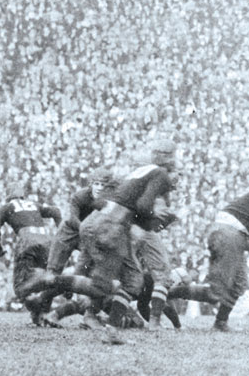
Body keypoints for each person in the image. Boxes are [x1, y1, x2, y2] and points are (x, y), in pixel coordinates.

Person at [23, 139, 179, 344]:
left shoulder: (142, 171)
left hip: (99, 221)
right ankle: (47, 280)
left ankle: (109, 330)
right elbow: (142, 205)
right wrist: (151, 219)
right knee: (107, 285)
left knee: (130, 280)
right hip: (113, 225)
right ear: (169, 158)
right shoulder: (159, 174)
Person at [167, 167, 249, 332]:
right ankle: (169, 293)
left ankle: (221, 321)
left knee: (238, 284)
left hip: (227, 236)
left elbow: (242, 238)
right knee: (216, 292)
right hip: (228, 237)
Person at [0, 186, 61, 324]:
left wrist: (0, 250)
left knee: (20, 286)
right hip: (46, 241)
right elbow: (56, 211)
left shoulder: (6, 207)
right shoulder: (34, 204)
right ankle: (41, 315)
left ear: (9, 197)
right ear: (23, 197)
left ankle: (37, 312)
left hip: (27, 240)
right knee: (48, 278)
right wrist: (61, 233)